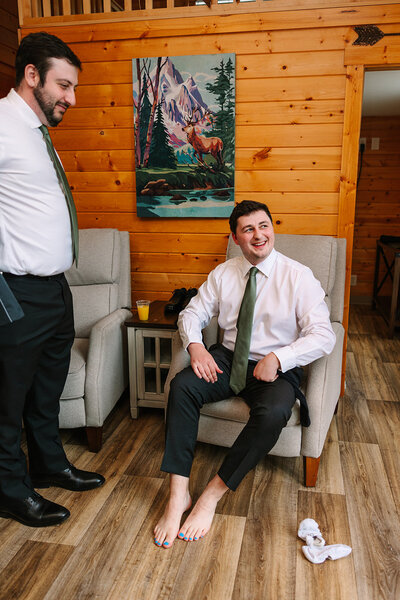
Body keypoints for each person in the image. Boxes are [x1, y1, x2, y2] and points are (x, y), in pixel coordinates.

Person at [154, 200, 336, 548]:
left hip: (275, 367)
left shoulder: (298, 277)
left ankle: (211, 495)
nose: (258, 235)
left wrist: (281, 358)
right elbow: (191, 314)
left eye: (264, 225)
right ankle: (178, 493)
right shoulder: (223, 274)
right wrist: (196, 347)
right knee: (182, 387)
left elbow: (324, 334)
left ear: (272, 229)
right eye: (248, 229)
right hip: (227, 358)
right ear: (235, 237)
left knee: (275, 413)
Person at [0, 32, 105, 528]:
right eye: (64, 85)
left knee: (46, 388)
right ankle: (12, 490)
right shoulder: (1, 124)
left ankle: (48, 463)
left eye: (74, 88)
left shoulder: (39, 135)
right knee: (7, 398)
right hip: (16, 291)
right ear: (32, 75)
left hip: (54, 289)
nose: (72, 98)